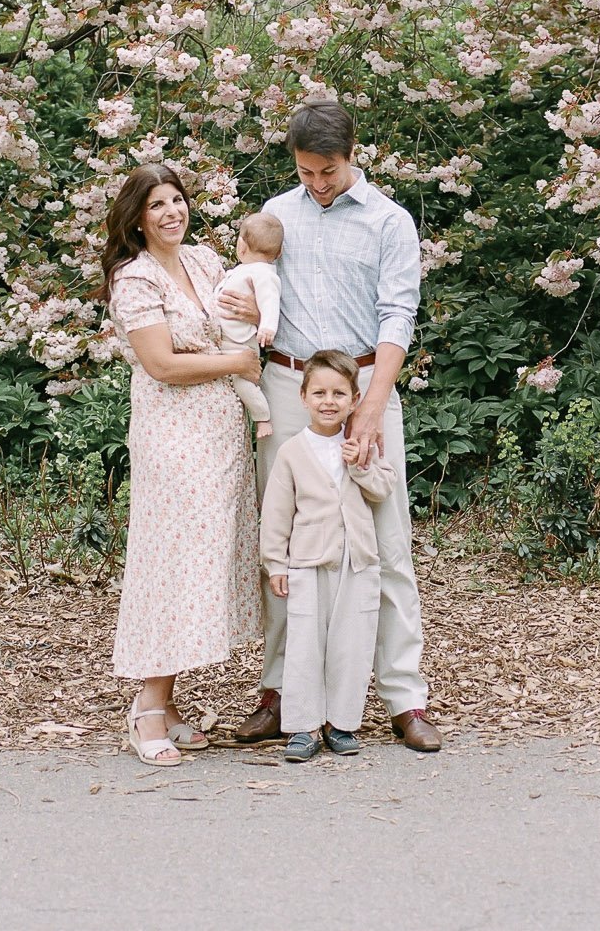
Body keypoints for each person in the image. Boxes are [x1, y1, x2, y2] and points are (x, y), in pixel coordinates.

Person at [222, 101, 442, 753]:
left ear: (353, 152)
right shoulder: (277, 214)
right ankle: (282, 693)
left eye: (329, 170)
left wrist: (372, 405)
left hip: (366, 386)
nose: (318, 182)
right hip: (288, 386)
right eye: (306, 171)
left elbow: (398, 316)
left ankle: (405, 698)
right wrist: (238, 299)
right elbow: (254, 287)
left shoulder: (389, 222)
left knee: (386, 537)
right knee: (286, 539)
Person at [102, 163, 262, 766]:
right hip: (174, 435)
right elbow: (163, 364)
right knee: (174, 562)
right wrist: (235, 364)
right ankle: (147, 706)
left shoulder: (204, 262)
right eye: (157, 205)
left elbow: (238, 323)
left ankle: (168, 706)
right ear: (137, 219)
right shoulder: (134, 279)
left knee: (203, 564)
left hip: (221, 433)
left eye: (177, 200)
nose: (172, 212)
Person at [259, 349, 396, 762]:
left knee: (349, 644)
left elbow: (383, 488)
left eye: (339, 393)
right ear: (303, 397)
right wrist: (275, 563)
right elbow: (277, 512)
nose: (328, 401)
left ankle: (342, 723)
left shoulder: (361, 446)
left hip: (356, 560)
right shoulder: (292, 452)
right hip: (307, 562)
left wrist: (361, 466)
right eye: (319, 392)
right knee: (304, 643)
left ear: (354, 400)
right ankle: (302, 726)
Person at [214, 211, 284, 439]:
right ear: (279, 252)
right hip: (228, 339)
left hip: (240, 342)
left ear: (240, 245)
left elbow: (270, 301)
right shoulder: (243, 270)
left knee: (243, 383)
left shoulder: (264, 274)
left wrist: (267, 327)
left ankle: (262, 418)